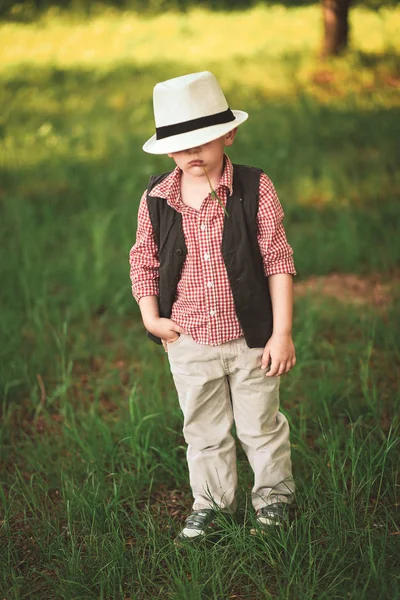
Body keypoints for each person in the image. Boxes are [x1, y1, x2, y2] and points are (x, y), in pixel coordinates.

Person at [129, 71, 297, 544]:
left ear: (229, 133)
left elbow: (277, 259)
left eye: (203, 141)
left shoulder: (254, 187)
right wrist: (151, 317)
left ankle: (275, 500)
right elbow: (143, 259)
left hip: (252, 339)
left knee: (260, 425)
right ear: (166, 151)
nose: (193, 154)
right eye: (181, 147)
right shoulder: (157, 198)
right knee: (203, 430)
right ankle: (211, 503)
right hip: (188, 340)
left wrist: (281, 332)